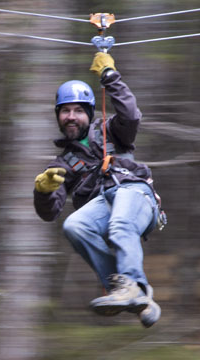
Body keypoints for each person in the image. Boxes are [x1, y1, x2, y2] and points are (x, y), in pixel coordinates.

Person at [33, 52, 163, 328]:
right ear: (58, 116)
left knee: (119, 223)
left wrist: (110, 77)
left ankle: (130, 284)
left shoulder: (112, 131)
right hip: (106, 206)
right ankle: (131, 292)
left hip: (136, 196)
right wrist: (43, 191)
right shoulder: (60, 165)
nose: (71, 117)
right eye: (65, 111)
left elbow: (130, 114)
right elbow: (50, 213)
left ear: (89, 114)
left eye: (78, 110)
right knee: (74, 226)